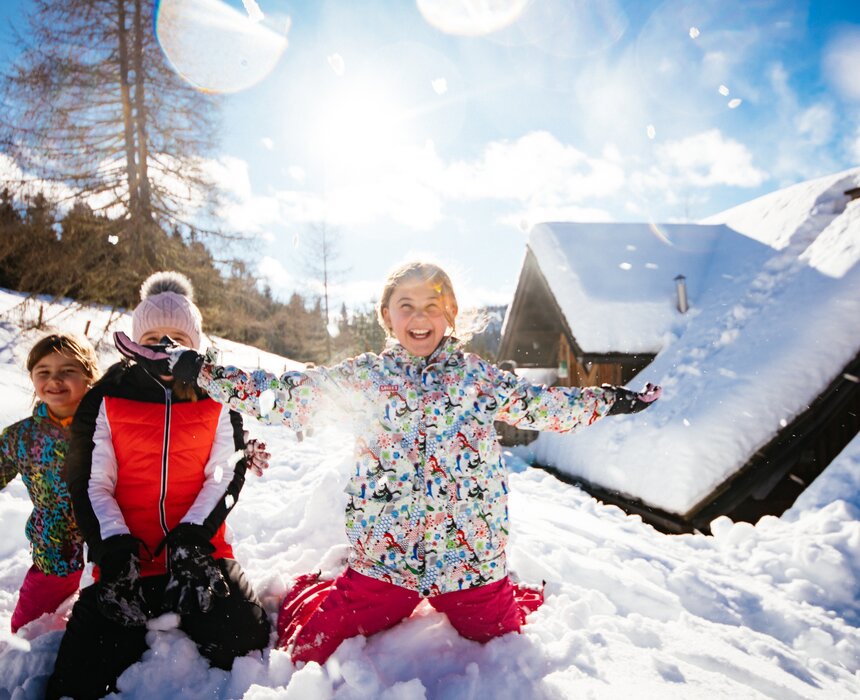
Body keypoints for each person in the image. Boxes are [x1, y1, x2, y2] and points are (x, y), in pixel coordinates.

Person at [115, 260, 661, 666]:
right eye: (407, 305)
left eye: (432, 305)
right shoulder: (367, 378)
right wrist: (203, 372)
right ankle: (326, 588)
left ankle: (498, 593)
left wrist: (611, 399)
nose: (419, 316)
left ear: (451, 315)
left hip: (467, 561)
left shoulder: (478, 379)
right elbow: (283, 395)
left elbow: (548, 405)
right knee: (309, 648)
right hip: (386, 561)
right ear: (387, 316)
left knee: (503, 636)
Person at [46, 271, 270, 700]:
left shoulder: (217, 395)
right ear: (134, 341)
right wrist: (113, 550)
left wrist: (193, 538)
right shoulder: (107, 396)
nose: (165, 346)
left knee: (244, 638)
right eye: (153, 335)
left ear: (196, 343)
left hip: (200, 558)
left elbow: (225, 471)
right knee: (82, 669)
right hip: (125, 563)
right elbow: (91, 481)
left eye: (177, 336)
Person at [1, 333, 99, 633]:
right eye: (43, 372)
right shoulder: (21, 437)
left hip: (105, 549)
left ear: (89, 377)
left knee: (99, 626)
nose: (54, 380)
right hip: (53, 550)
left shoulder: (106, 428)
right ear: (32, 378)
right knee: (26, 630)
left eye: (67, 371)